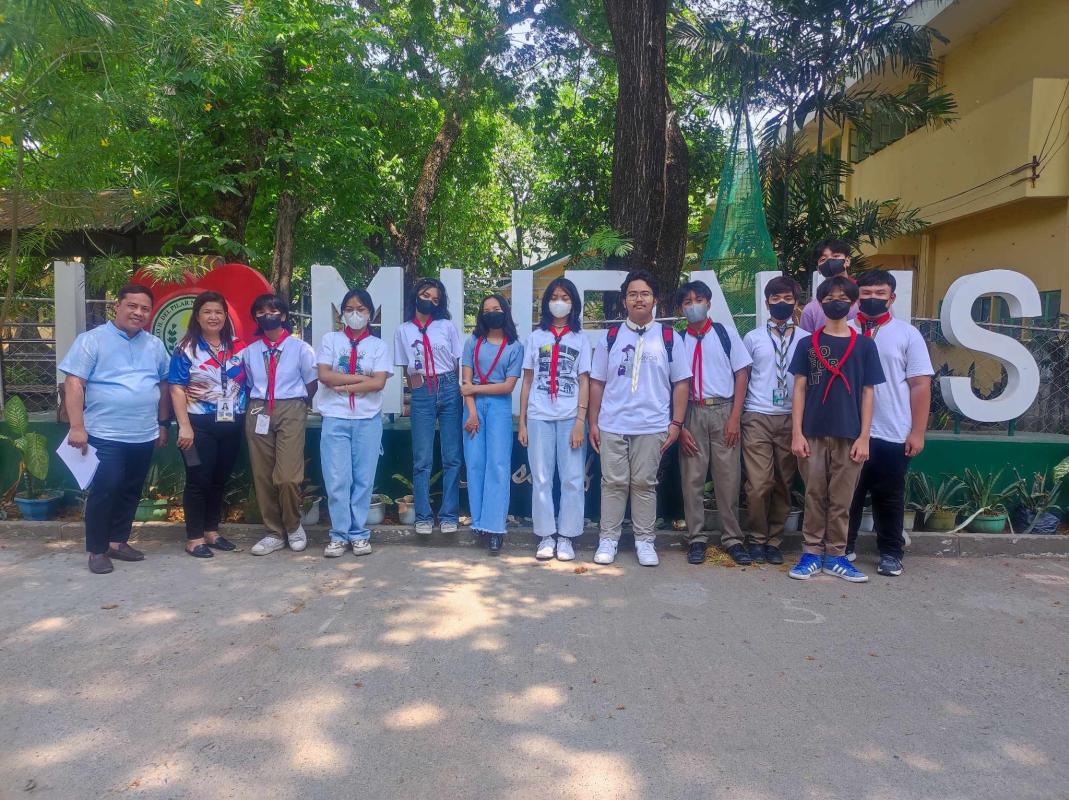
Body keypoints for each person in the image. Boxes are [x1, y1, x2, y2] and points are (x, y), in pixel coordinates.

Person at [59, 284, 171, 574]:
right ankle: (97, 550)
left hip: (144, 433)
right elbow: (74, 383)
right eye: (132, 306)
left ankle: (117, 542)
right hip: (104, 434)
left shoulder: (155, 345)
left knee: (131, 490)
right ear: (117, 306)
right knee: (106, 490)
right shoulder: (92, 340)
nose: (138, 313)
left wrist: (162, 424)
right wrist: (77, 426)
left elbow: (163, 385)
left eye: (145, 308)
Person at [588, 270, 691, 567]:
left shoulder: (669, 337)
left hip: (652, 425)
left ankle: (645, 540)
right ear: (624, 301)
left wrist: (676, 423)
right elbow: (597, 382)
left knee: (645, 484)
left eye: (645, 293)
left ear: (654, 299)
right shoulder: (610, 338)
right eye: (632, 294)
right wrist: (593, 422)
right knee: (613, 483)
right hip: (612, 424)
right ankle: (608, 539)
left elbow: (681, 382)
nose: (639, 299)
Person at [788, 275, 885, 582]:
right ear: (820, 303)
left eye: (843, 298)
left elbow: (868, 393)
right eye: (829, 299)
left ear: (853, 303)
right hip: (813, 433)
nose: (836, 303)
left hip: (850, 433)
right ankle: (811, 553)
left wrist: (864, 437)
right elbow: (799, 389)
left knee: (842, 499)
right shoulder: (807, 344)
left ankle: (836, 555)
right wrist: (797, 433)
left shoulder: (865, 346)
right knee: (814, 494)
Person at [845, 270, 933, 576]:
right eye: (866, 293)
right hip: (850, 430)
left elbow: (920, 385)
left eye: (879, 293)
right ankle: (845, 547)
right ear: (856, 297)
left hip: (892, 430)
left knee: (889, 496)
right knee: (849, 494)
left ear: (891, 297)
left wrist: (917, 432)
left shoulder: (907, 334)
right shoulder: (844, 331)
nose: (872, 298)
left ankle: (891, 553)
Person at [676, 281, 752, 566]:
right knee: (692, 479)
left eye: (698, 300)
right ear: (680, 309)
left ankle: (732, 538)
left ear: (709, 303)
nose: (693, 305)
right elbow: (673, 384)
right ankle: (696, 537)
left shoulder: (725, 334)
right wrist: (680, 425)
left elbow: (742, 374)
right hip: (691, 412)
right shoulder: (678, 340)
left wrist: (735, 417)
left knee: (728, 478)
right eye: (687, 302)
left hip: (723, 410)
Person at [316, 288, 393, 558]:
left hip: (367, 420)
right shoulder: (331, 340)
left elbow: (379, 383)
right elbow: (325, 375)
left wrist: (346, 385)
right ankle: (339, 535)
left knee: (363, 479)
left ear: (370, 313)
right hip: (335, 417)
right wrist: (362, 380)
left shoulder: (378, 346)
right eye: (349, 309)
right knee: (337, 479)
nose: (355, 314)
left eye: (361, 309)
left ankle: (358, 533)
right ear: (342, 314)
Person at [169, 291, 247, 558]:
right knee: (198, 479)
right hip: (197, 425)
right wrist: (184, 426)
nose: (213, 317)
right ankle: (194, 538)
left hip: (232, 423)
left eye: (218, 312)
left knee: (218, 480)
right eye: (207, 312)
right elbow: (176, 388)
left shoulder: (238, 346)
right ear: (197, 316)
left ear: (225, 316)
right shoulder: (186, 348)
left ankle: (211, 532)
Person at [518, 278, 591, 562]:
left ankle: (567, 537)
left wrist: (580, 420)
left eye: (565, 297)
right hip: (539, 416)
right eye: (554, 297)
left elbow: (584, 381)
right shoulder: (536, 338)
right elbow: (527, 381)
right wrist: (522, 421)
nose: (559, 302)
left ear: (574, 304)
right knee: (541, 478)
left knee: (572, 478)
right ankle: (546, 535)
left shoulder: (580, 339)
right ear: (546, 302)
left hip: (570, 417)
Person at [242, 294, 317, 556]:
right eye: (260, 312)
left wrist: (299, 405)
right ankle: (274, 532)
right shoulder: (250, 352)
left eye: (272, 311)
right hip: (259, 408)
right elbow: (248, 383)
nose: (267, 316)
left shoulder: (301, 349)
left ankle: (293, 526)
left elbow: (311, 383)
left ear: (283, 316)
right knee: (262, 474)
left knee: (287, 476)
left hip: (291, 406)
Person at [740, 276, 807, 567]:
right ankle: (757, 538)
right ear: (767, 303)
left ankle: (774, 541)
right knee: (759, 484)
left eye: (787, 299)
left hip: (792, 418)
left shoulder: (805, 339)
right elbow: (743, 378)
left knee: (783, 482)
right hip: (757, 415)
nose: (782, 303)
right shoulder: (753, 338)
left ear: (796, 302)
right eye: (776, 299)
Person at [394, 278, 463, 535]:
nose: (429, 301)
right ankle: (422, 515)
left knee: (452, 456)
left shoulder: (446, 326)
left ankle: (448, 514)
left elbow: (458, 362)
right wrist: (417, 388)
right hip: (422, 389)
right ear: (415, 296)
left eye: (435, 299)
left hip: (448, 386)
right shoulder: (403, 330)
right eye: (425, 295)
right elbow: (405, 367)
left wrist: (455, 388)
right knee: (422, 458)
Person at [461, 294, 523, 555]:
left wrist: (476, 389)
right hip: (473, 408)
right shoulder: (473, 342)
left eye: (496, 309)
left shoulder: (515, 346)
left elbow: (508, 386)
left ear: (505, 311)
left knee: (497, 465)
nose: (491, 313)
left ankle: (495, 527)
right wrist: (472, 413)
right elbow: (465, 382)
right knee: (475, 463)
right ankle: (478, 522)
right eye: (486, 310)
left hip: (499, 407)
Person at [799, 238, 860, 332]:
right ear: (818, 269)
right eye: (823, 259)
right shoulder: (811, 309)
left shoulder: (863, 293)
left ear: (847, 261)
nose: (830, 261)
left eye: (835, 256)